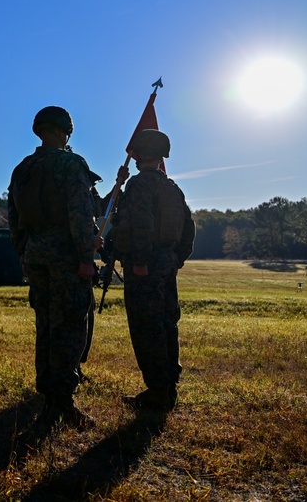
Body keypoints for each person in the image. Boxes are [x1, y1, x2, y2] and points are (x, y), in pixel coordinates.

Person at [8, 105, 104, 430]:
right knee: (70, 327)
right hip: (67, 255)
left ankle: (47, 391)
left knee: (46, 324)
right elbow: (79, 214)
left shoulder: (23, 168)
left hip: (36, 253)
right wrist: (86, 257)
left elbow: (15, 218)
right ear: (66, 131)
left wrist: (24, 252)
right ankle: (61, 403)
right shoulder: (71, 164)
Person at [110, 129, 195, 413]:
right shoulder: (173, 188)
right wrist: (175, 259)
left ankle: (157, 392)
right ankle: (168, 386)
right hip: (166, 262)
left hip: (144, 265)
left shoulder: (140, 185)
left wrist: (142, 261)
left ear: (142, 154)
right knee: (167, 324)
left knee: (147, 328)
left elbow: (142, 223)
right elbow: (188, 228)